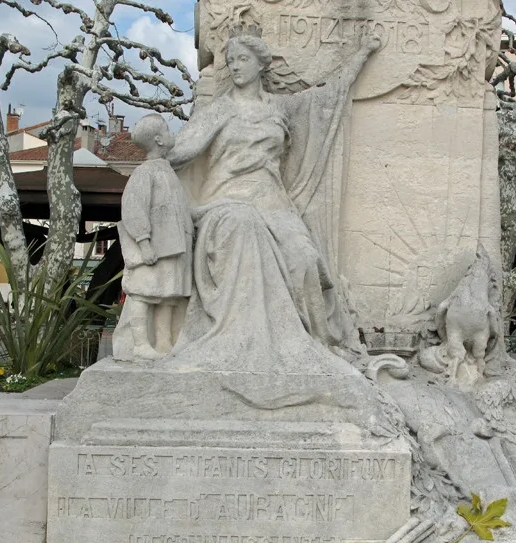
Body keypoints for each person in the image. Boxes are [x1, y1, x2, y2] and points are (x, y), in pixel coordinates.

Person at [163, 28, 381, 409]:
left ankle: (318, 344)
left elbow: (326, 97)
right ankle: (246, 341)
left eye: (242, 60)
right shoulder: (220, 110)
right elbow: (182, 150)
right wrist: (154, 156)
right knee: (243, 228)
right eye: (230, 61)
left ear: (261, 65)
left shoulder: (279, 108)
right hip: (227, 197)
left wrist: (362, 54)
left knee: (305, 260)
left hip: (272, 199)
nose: (235, 67)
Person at [113, 114, 193, 361]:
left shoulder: (166, 170)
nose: (172, 133)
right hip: (154, 249)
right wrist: (144, 241)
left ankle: (164, 342)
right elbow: (133, 208)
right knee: (143, 294)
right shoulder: (145, 172)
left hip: (173, 247)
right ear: (158, 139)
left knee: (168, 295)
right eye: (167, 129)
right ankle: (139, 344)